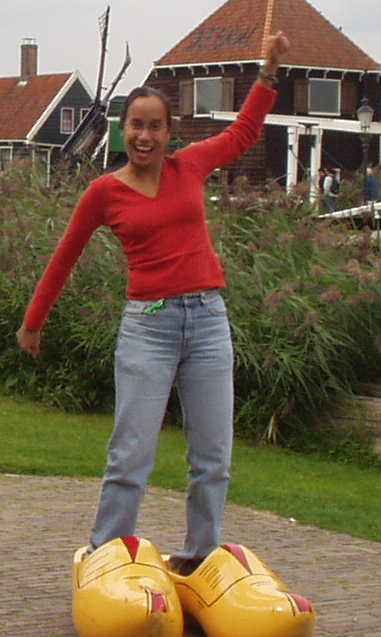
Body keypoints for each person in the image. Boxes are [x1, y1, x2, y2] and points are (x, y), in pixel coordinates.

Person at [17, 32, 289, 578]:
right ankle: (106, 557)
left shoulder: (189, 167)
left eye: (155, 126)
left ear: (168, 132)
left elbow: (242, 133)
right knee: (131, 454)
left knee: (212, 457)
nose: (145, 136)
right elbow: (64, 257)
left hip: (208, 322)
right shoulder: (104, 192)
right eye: (136, 125)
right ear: (122, 130)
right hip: (149, 328)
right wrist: (32, 323)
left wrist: (268, 73)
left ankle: (200, 559)